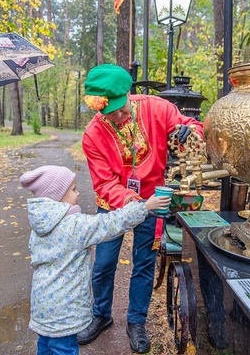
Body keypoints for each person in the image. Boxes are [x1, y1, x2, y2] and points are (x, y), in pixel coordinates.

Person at [78, 63, 204, 353]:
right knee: (104, 263)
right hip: (113, 205)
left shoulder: (156, 108)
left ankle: (136, 321)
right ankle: (100, 315)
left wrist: (189, 132)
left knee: (144, 264)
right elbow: (105, 184)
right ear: (98, 109)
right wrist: (135, 205)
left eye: (124, 107)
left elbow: (191, 126)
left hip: (154, 201)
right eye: (113, 113)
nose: (121, 116)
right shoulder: (92, 136)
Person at [19, 165, 171, 355]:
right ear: (57, 196)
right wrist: (145, 207)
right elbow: (110, 223)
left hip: (42, 306)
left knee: (45, 346)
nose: (78, 193)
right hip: (66, 310)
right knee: (64, 348)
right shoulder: (76, 226)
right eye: (73, 189)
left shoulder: (38, 226)